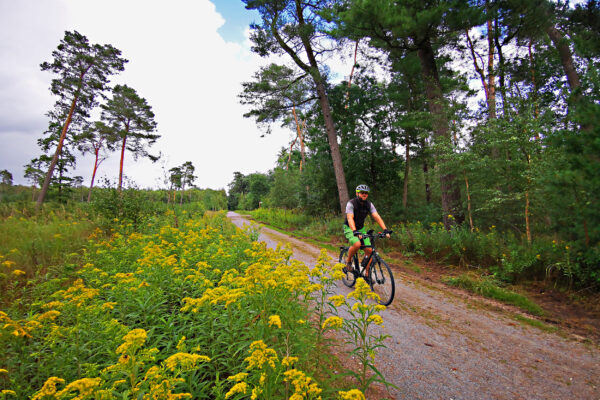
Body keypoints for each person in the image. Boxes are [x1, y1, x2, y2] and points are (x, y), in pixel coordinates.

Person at [343, 184, 390, 277]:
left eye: (366, 193)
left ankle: (367, 275)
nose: (364, 194)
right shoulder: (351, 203)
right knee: (357, 244)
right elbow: (350, 218)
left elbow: (377, 217)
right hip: (349, 228)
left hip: (361, 229)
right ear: (357, 193)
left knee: (369, 250)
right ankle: (348, 262)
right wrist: (354, 231)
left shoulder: (369, 204)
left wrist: (385, 230)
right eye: (362, 193)